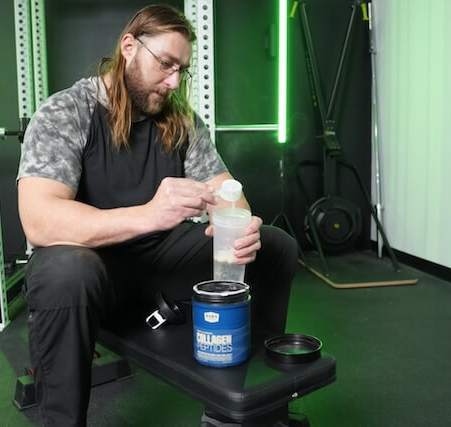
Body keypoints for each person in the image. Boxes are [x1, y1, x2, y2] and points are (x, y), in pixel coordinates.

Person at [17, 4, 297, 426]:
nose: (171, 81)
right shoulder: (66, 112)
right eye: (165, 64)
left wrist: (238, 223)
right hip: (90, 266)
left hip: (155, 262)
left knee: (275, 246)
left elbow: (226, 191)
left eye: (180, 70)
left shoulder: (179, 120)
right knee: (67, 272)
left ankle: (242, 408)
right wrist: (149, 214)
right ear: (129, 47)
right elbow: (39, 220)